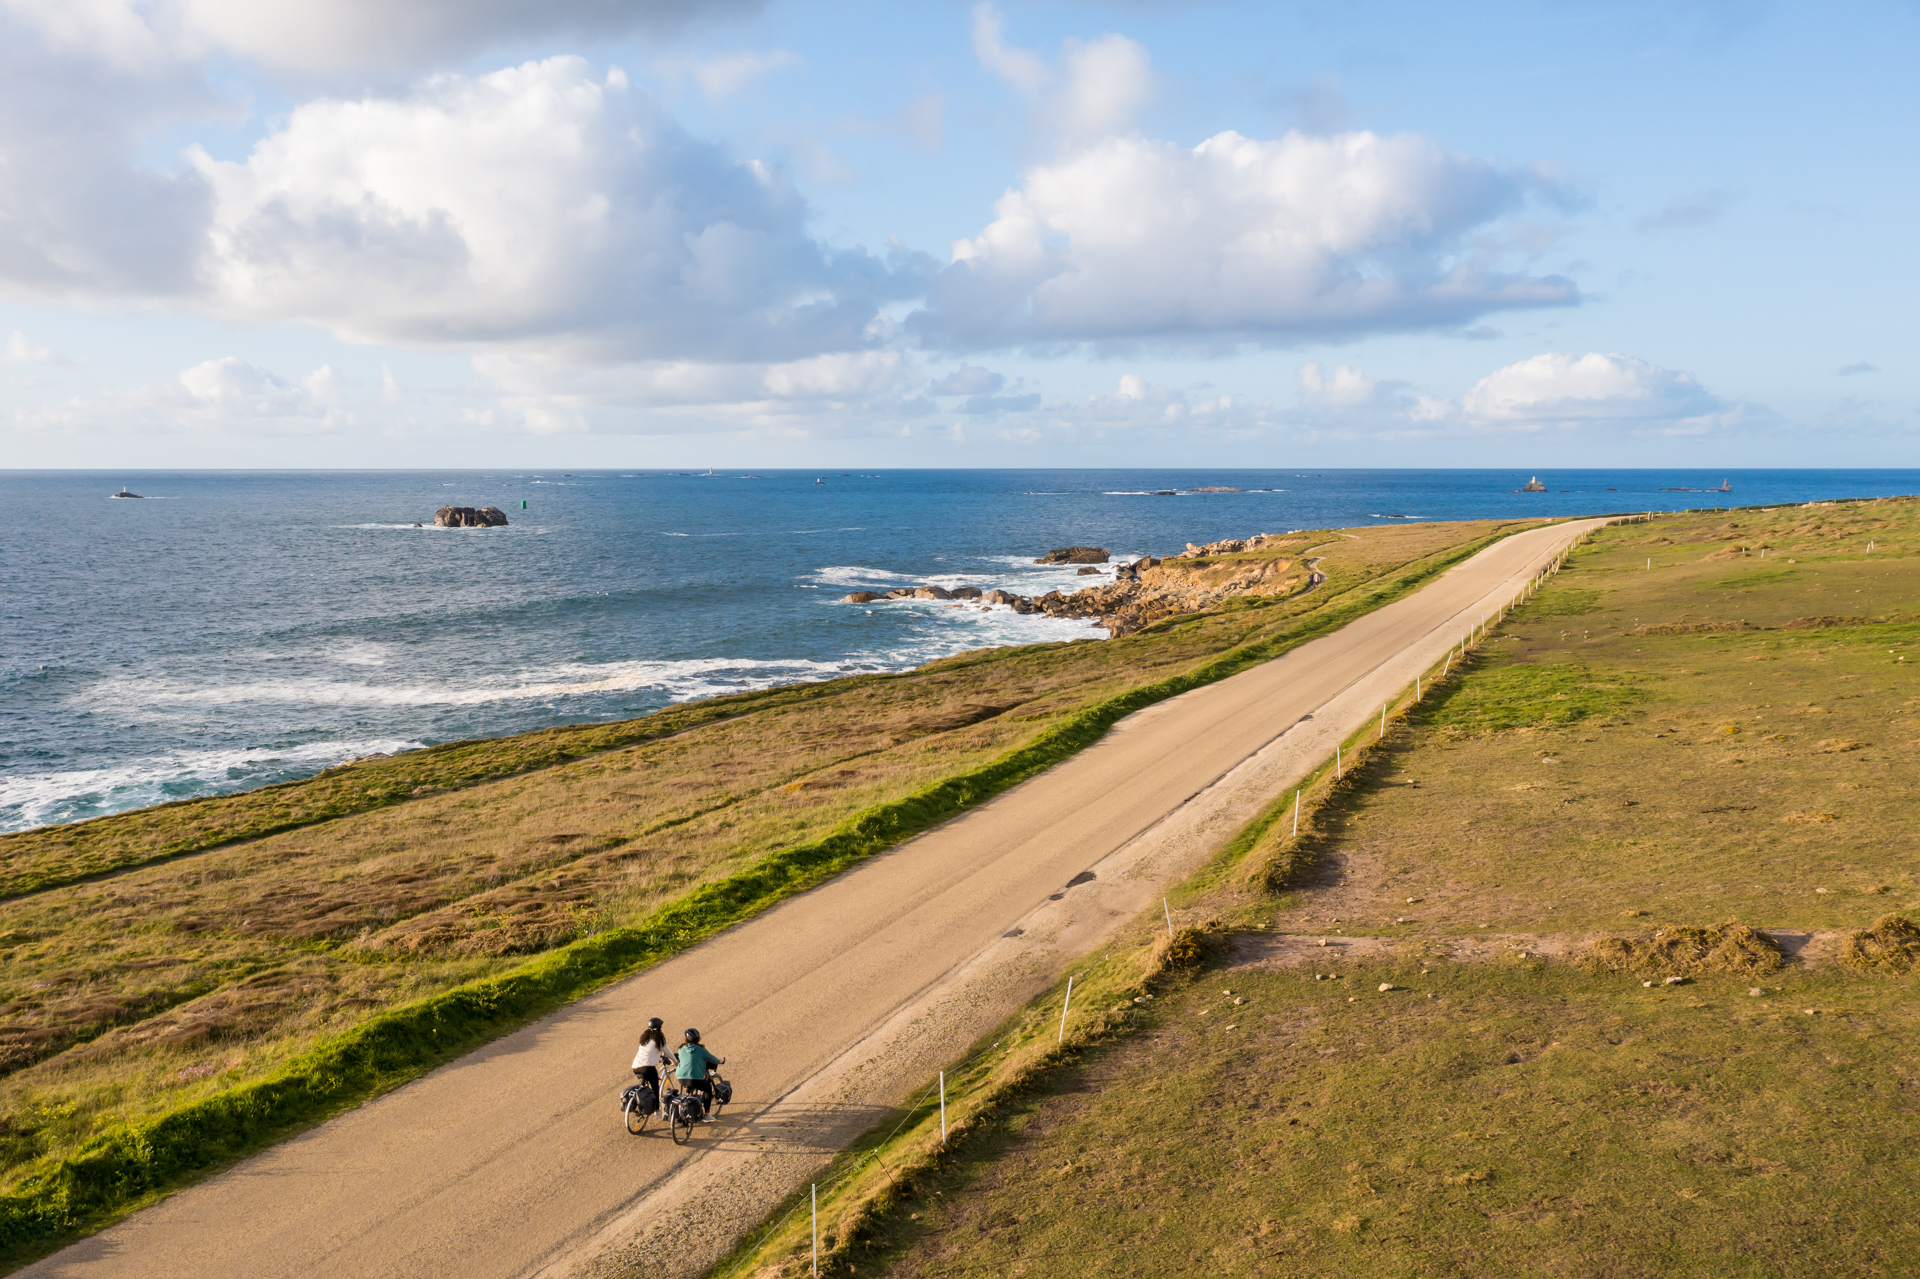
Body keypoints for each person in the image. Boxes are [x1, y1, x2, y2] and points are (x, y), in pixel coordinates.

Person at [670, 1027, 725, 1119]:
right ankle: (707, 1114)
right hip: (694, 1078)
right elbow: (712, 1059)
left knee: (690, 1084)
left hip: (680, 1077)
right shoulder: (701, 1049)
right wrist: (720, 1061)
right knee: (707, 1088)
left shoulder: (681, 1049)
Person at [631, 1017, 669, 1094]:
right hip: (647, 1069)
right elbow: (668, 1052)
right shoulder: (659, 1039)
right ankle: (656, 1106)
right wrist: (676, 1062)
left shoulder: (644, 1037)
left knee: (644, 1084)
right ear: (659, 1028)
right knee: (655, 1089)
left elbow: (648, 1051)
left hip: (635, 1067)